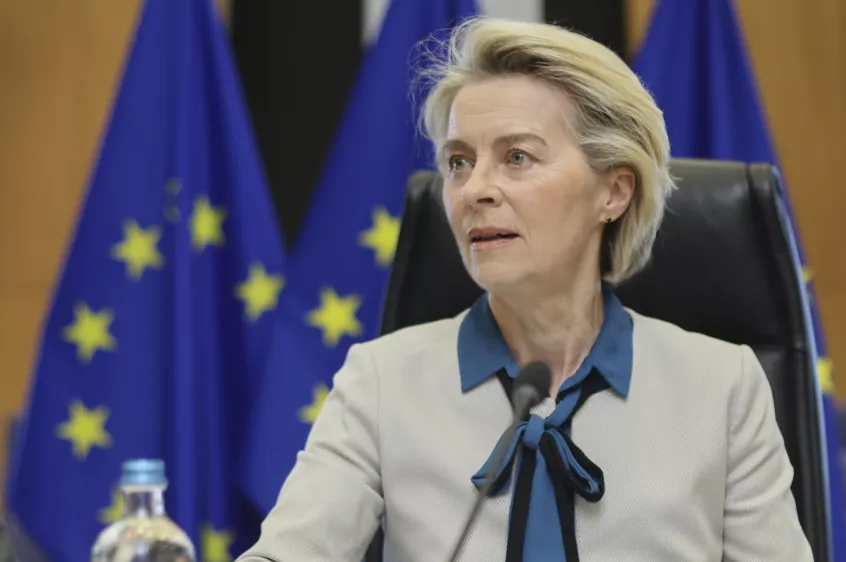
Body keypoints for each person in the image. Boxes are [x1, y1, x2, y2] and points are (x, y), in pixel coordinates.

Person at [238, 16, 812, 562]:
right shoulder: (381, 383)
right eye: (459, 162)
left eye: (517, 156)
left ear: (613, 192)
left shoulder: (723, 388)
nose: (475, 190)